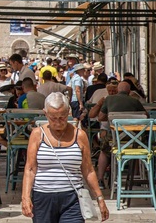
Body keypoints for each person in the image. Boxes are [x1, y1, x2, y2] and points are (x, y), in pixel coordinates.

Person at [21, 92, 109, 222]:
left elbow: (88, 170)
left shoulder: (79, 135)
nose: (58, 122)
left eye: (62, 117)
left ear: (68, 112)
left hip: (72, 197)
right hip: (43, 197)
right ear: (45, 113)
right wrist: (25, 197)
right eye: (53, 118)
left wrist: (100, 198)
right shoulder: (37, 134)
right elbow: (30, 169)